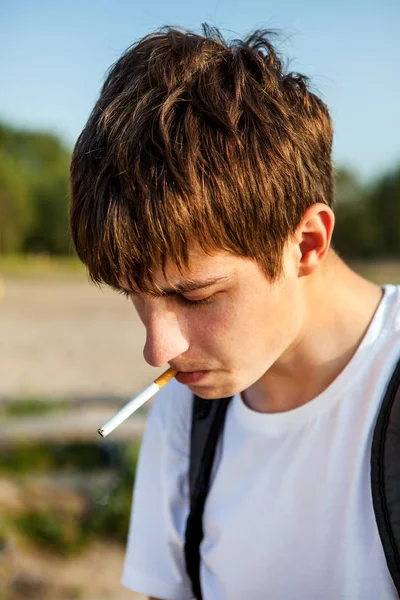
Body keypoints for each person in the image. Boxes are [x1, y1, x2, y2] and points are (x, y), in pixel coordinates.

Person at [69, 25, 400, 600]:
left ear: (306, 243)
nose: (158, 349)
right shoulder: (191, 411)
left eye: (193, 295)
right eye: (134, 295)